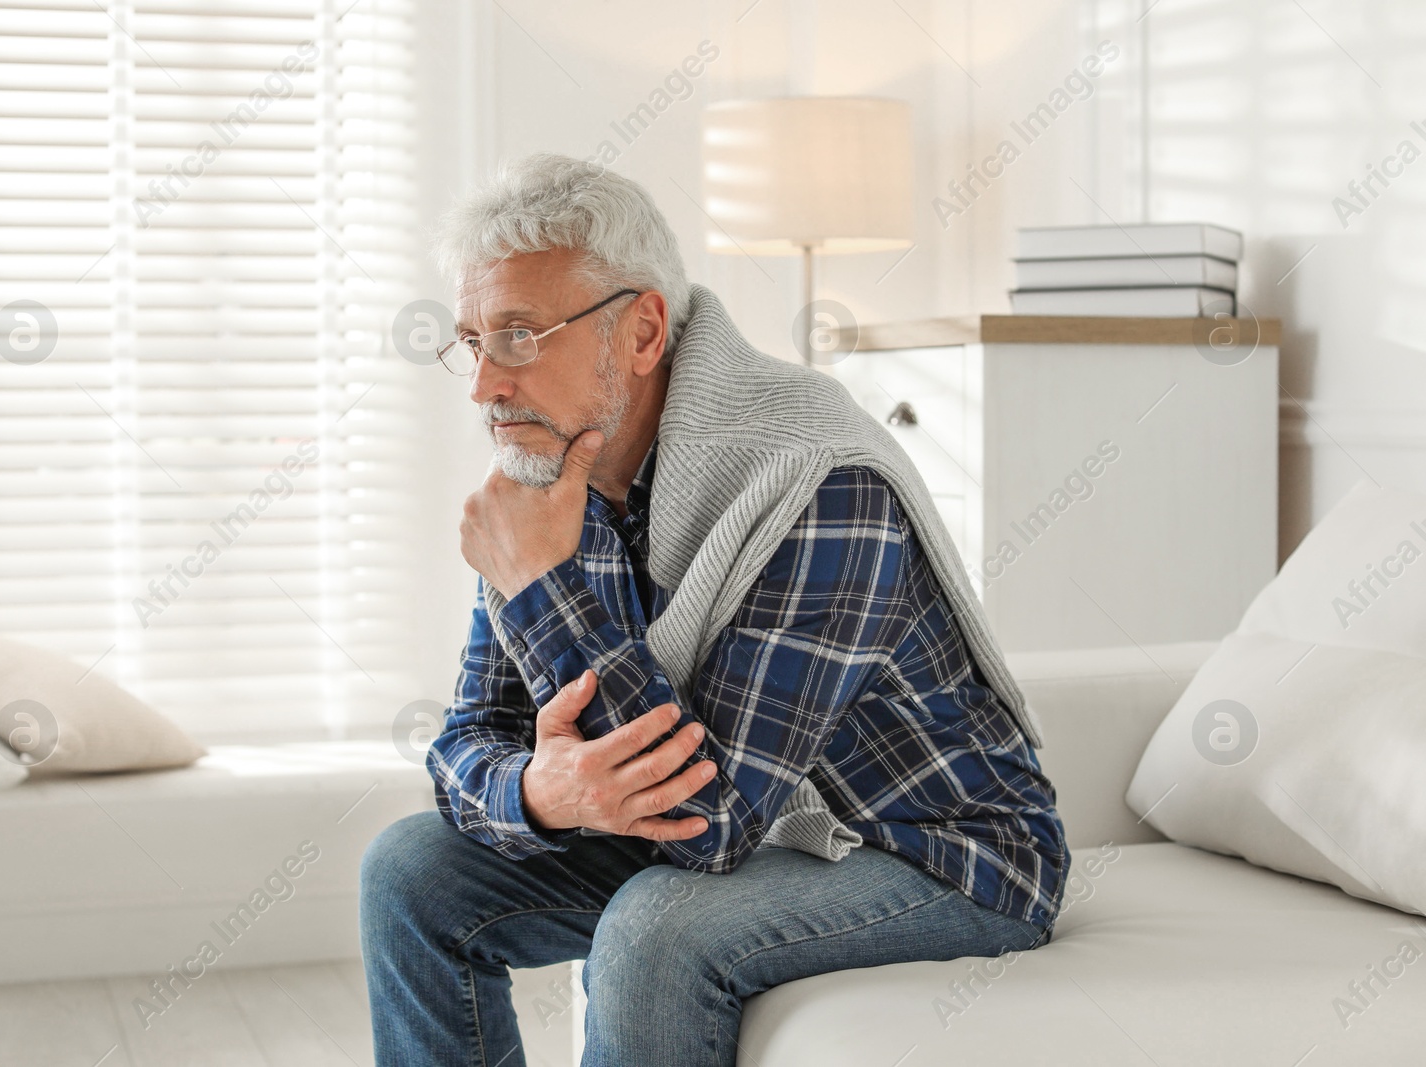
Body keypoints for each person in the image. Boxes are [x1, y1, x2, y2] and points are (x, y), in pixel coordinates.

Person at [361, 153, 1067, 1067]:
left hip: (932, 853)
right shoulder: (543, 477)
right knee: (408, 873)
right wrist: (541, 792)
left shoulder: (816, 480)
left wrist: (543, 586)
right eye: (474, 339)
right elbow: (469, 737)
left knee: (656, 928)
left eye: (522, 336)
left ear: (643, 331)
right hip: (741, 813)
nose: (484, 384)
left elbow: (709, 823)